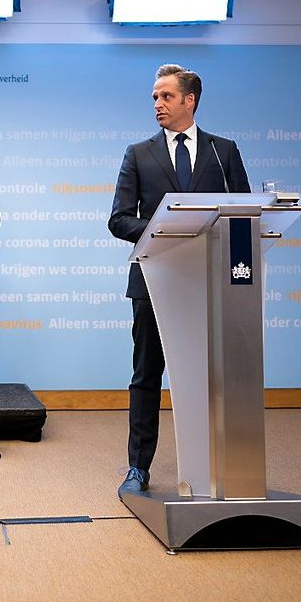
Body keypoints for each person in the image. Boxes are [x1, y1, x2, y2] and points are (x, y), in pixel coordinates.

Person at [107, 64, 250, 495]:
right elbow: (118, 219)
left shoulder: (224, 152)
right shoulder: (138, 153)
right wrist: (165, 228)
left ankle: (216, 464)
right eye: (154, 97)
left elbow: (243, 212)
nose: (157, 104)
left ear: (190, 100)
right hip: (154, 278)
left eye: (166, 96)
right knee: (146, 375)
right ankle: (138, 467)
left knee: (211, 377)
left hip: (207, 280)